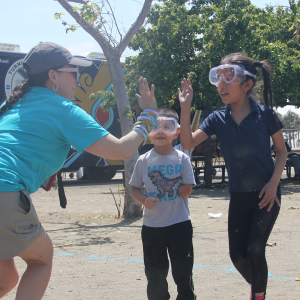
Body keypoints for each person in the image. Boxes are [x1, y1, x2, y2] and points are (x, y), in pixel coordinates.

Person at [0, 42, 157, 300]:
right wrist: (148, 116)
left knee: (6, 277)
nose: (76, 79)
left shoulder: (11, 105)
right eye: (72, 72)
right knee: (41, 259)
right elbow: (122, 150)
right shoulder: (63, 109)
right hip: (4, 189)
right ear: (53, 76)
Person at [178, 53, 287, 300]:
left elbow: (281, 151)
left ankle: (258, 295)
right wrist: (185, 108)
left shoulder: (266, 114)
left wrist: (273, 184)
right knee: (238, 256)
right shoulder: (217, 119)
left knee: (256, 251)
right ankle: (258, 282)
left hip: (266, 193)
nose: (222, 84)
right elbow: (186, 142)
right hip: (239, 195)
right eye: (219, 77)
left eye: (229, 77)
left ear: (247, 84)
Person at [130, 107, 196, 300]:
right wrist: (143, 200)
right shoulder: (143, 160)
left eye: (167, 127)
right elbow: (134, 188)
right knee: (155, 273)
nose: (160, 131)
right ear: (148, 133)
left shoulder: (183, 158)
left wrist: (181, 190)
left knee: (183, 271)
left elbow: (187, 187)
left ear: (176, 133)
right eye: (155, 127)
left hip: (180, 224)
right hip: (152, 227)